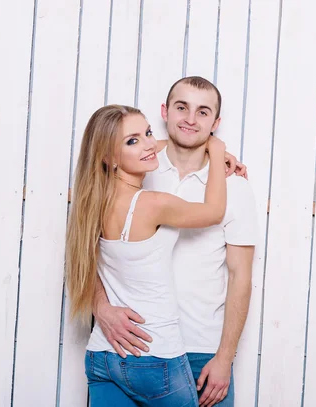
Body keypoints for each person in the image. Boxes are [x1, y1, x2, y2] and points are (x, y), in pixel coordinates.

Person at [93, 76, 257, 407]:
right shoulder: (140, 168)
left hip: (203, 351)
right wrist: (101, 307)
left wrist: (224, 357)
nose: (191, 120)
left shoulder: (233, 187)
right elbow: (90, 250)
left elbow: (242, 277)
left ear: (216, 122)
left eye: (203, 112)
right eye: (182, 108)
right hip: (132, 345)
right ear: (165, 112)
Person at [65, 104, 230, 406]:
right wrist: (217, 152)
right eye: (133, 140)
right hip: (154, 355)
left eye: (149, 133)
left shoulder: (93, 203)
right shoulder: (153, 204)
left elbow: (84, 266)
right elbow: (214, 211)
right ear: (108, 157)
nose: (149, 143)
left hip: (103, 355)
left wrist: (194, 145)